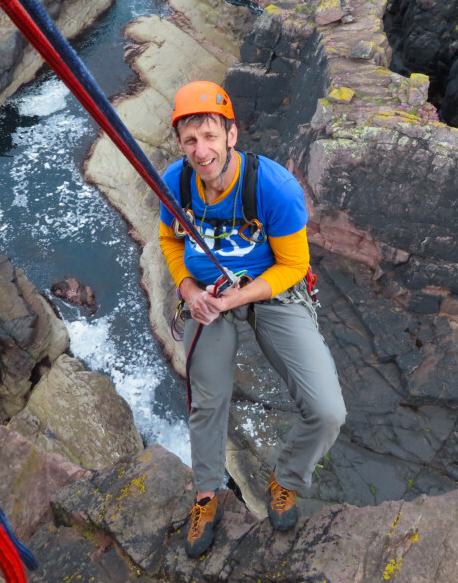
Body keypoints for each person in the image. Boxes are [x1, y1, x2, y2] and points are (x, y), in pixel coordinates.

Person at [158, 80, 346, 558]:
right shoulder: (175, 184)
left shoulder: (272, 186)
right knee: (209, 395)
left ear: (231, 136)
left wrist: (237, 300)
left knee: (327, 411)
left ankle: (286, 478)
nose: (201, 152)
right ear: (180, 145)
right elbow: (170, 242)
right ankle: (206, 492)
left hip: (269, 287)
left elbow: (292, 265)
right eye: (190, 141)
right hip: (208, 294)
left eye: (210, 136)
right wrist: (188, 290)